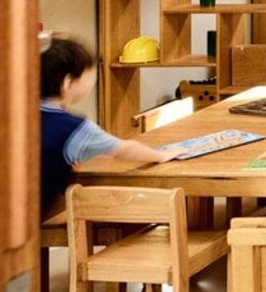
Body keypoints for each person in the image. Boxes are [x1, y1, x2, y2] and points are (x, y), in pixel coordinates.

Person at [40, 36, 173, 213]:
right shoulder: (74, 128)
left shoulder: (16, 114)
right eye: (90, 76)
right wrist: (160, 156)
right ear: (68, 83)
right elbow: (125, 150)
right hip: (30, 219)